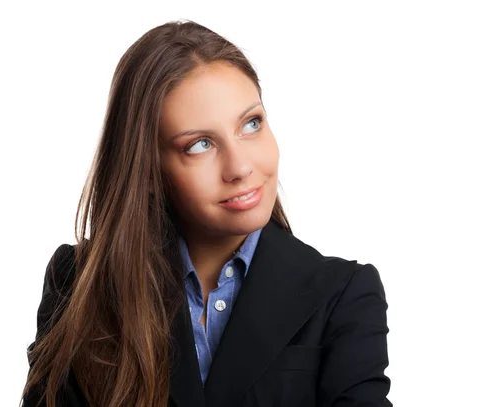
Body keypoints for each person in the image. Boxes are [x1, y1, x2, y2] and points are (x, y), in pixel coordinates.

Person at [20, 19, 392, 407]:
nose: (241, 167)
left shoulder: (343, 294)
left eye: (252, 124)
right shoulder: (78, 283)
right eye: (199, 145)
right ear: (148, 171)